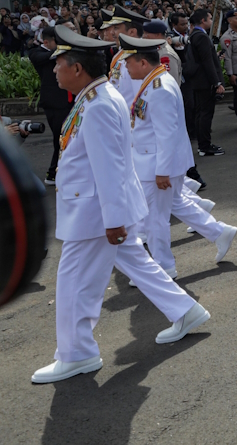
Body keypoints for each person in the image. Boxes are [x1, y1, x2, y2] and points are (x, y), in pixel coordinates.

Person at [32, 26, 211, 384]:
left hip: (95, 213)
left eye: (59, 64)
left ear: (77, 69)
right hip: (99, 209)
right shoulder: (96, 96)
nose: (54, 71)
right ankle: (186, 310)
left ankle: (77, 353)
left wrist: (114, 220)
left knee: (73, 282)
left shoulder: (98, 104)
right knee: (137, 263)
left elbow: (109, 168)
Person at [119, 34, 237, 278]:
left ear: (142, 62)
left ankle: (164, 266)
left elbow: (167, 134)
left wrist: (162, 170)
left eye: (128, 62)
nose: (125, 67)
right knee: (174, 205)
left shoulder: (158, 87)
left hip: (156, 165)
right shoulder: (153, 81)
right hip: (154, 162)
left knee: (155, 219)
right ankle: (219, 231)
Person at [28, 26, 70, 185]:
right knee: (59, 137)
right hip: (54, 102)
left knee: (64, 136)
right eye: (58, 41)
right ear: (46, 41)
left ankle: (57, 171)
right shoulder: (35, 53)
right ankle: (53, 173)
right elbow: (47, 57)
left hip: (67, 100)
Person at [185, 8, 226, 157]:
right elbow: (206, 62)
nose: (211, 21)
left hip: (198, 81)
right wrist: (216, 82)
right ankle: (205, 146)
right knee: (205, 113)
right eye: (209, 18)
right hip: (204, 81)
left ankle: (203, 144)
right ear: (203, 20)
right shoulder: (201, 37)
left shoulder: (194, 35)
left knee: (200, 112)